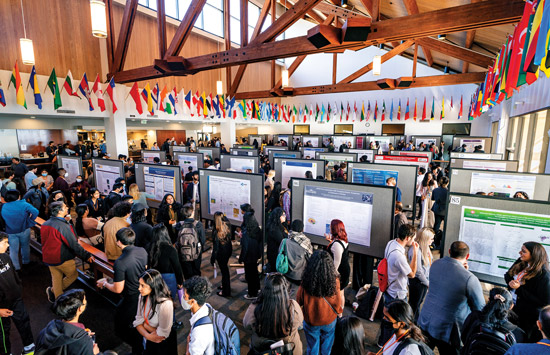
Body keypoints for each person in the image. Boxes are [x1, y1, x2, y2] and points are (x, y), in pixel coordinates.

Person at [418, 241, 485, 354]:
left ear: (449, 251)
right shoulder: (469, 279)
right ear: (467, 256)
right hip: (447, 331)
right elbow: (480, 308)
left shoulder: (435, 264)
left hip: (426, 321)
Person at [97, 227, 147, 354]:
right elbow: (146, 269)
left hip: (131, 297)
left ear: (118, 242)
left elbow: (118, 289)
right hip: (144, 292)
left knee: (125, 324)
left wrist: (105, 283)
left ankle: (138, 348)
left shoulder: (120, 262)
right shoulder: (142, 251)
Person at [42, 201, 94, 300]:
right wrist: (87, 255)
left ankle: (57, 297)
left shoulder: (46, 223)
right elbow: (73, 243)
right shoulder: (62, 226)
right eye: (65, 207)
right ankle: (54, 292)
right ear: (60, 211)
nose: (67, 208)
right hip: (62, 258)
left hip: (48, 257)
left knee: (56, 278)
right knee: (73, 275)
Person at [243, 273, 304, 355]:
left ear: (265, 290)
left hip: (261, 349)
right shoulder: (293, 306)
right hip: (289, 350)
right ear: (285, 290)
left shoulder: (254, 307)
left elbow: (246, 325)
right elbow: (300, 324)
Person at [297, 250, 342, 355]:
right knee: (327, 347)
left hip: (311, 320)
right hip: (329, 320)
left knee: (313, 347)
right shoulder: (334, 281)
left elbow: (299, 299)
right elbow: (337, 302)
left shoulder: (306, 281)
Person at [505, 241, 550, 340]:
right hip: (511, 308)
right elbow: (507, 275)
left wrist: (519, 289)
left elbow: (544, 302)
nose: (520, 253)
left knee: (519, 338)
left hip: (526, 316)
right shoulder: (521, 262)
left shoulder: (544, 275)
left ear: (534, 255)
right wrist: (511, 283)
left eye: (523, 251)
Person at [0, 232, 35, 355]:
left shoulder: (5, 256)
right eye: (4, 242)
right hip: (1, 307)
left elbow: (14, 274)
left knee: (24, 322)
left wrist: (18, 288)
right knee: (3, 333)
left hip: (16, 300)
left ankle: (29, 348)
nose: (8, 245)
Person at [35, 289, 99, 355]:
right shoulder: (85, 342)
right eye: (85, 300)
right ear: (80, 308)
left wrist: (81, 334)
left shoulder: (47, 330)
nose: (86, 301)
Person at [133, 270, 178, 354]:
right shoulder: (142, 296)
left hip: (163, 345)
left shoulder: (165, 304)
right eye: (139, 284)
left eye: (142, 285)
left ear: (152, 286)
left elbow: (162, 335)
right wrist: (147, 335)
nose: (139, 288)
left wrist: (144, 325)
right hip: (147, 338)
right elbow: (137, 321)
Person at [148, 224, 183, 319]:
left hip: (155, 277)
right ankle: (172, 322)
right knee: (169, 302)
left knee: (158, 301)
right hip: (169, 278)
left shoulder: (150, 247)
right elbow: (177, 267)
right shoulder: (170, 249)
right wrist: (180, 282)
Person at [0, 189, 39, 270]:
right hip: (24, 229)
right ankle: (26, 262)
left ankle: (16, 267)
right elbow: (35, 211)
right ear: (18, 196)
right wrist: (30, 221)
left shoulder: (3, 206)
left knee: (13, 250)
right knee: (25, 247)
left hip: (10, 231)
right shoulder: (23, 204)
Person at [182, 276, 215, 355]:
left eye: (184, 296)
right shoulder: (207, 307)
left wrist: (187, 346)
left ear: (193, 301)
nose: (182, 298)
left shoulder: (199, 333)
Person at [408, 227, 434, 320]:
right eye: (431, 239)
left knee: (418, 303)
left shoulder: (425, 248)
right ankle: (412, 323)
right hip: (418, 282)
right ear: (425, 239)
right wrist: (427, 283)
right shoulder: (416, 250)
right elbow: (418, 272)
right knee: (414, 304)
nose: (432, 241)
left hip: (423, 282)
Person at [175, 203, 206, 279]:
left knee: (187, 274)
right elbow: (203, 240)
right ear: (192, 212)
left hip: (183, 254)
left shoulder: (179, 224)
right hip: (196, 253)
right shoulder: (198, 224)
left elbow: (177, 239)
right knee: (196, 273)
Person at [325, 219, 350, 310]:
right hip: (344, 270)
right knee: (341, 293)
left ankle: (338, 313)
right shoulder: (342, 239)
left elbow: (336, 263)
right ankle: (340, 312)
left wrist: (331, 277)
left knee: (338, 294)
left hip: (339, 273)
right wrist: (330, 241)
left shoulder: (336, 245)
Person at [239, 204, 263, 299]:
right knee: (255, 273)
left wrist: (241, 259)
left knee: (249, 275)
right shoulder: (256, 229)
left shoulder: (246, 234)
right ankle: (257, 289)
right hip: (255, 255)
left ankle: (251, 294)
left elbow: (245, 248)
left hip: (248, 257)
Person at [210, 212, 233, 297]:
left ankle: (226, 291)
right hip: (228, 251)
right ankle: (224, 285)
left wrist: (212, 259)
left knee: (224, 271)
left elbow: (215, 248)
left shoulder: (216, 231)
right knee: (225, 270)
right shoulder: (227, 225)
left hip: (221, 254)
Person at [266, 207, 288, 272]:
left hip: (276, 253)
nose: (285, 217)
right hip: (275, 254)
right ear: (278, 216)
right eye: (283, 215)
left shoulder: (279, 225)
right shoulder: (274, 229)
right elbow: (281, 241)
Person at [431, 176, 448, 248]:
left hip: (437, 209)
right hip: (445, 210)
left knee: (436, 225)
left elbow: (433, 199)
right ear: (447, 183)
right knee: (446, 226)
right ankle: (443, 241)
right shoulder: (448, 191)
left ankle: (434, 240)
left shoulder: (435, 190)